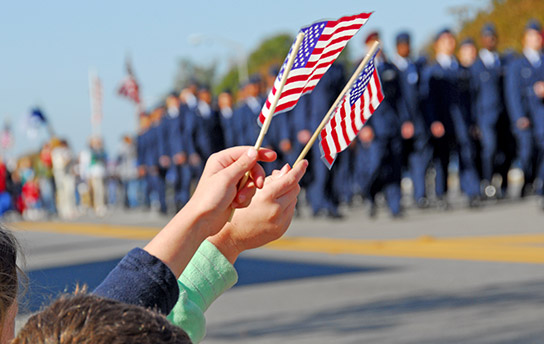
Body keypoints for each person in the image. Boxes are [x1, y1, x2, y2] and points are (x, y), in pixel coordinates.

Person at [421, 28, 481, 208]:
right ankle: (441, 195)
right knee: (443, 159)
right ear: (437, 44)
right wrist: (433, 121)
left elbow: (470, 98)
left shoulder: (461, 68)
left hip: (461, 121)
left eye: (451, 40)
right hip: (442, 121)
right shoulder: (431, 70)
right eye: (445, 40)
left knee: (466, 154)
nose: (449, 44)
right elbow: (427, 99)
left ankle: (472, 192)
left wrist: (472, 121)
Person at [471, 24, 513, 199]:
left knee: (507, 150)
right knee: (489, 148)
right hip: (484, 116)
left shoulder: (502, 62)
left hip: (503, 114)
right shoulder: (476, 66)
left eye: (493, 36)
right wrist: (474, 121)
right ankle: (487, 181)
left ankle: (501, 184)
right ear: (482, 39)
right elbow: (473, 96)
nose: (491, 40)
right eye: (487, 36)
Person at [391, 31, 432, 208]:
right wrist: (404, 120)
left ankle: (420, 195)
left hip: (418, 122)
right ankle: (394, 199)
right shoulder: (391, 69)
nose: (406, 47)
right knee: (397, 162)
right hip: (399, 123)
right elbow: (396, 100)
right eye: (403, 44)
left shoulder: (413, 66)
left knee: (419, 160)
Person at [505, 19, 544, 202]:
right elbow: (512, 93)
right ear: (525, 39)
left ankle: (540, 185)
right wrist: (518, 116)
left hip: (541, 114)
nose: (536, 40)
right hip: (525, 114)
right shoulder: (517, 65)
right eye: (532, 36)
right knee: (527, 151)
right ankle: (528, 180)